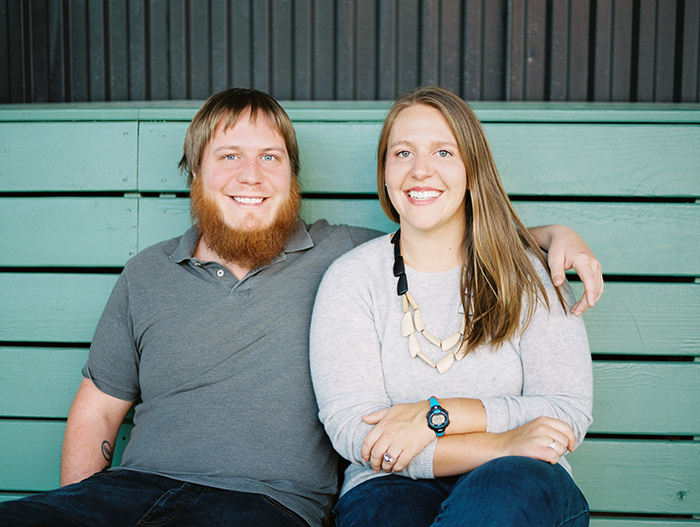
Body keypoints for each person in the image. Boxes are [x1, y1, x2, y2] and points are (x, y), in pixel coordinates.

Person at [0, 87, 600, 527]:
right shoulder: (148, 274)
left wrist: (543, 237)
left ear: (293, 176)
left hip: (264, 506)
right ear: (196, 174)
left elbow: (439, 228)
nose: (251, 175)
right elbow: (97, 416)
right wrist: (80, 510)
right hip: (128, 491)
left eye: (270, 157)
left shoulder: (334, 254)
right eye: (228, 155)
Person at [309, 86, 593, 527]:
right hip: (387, 485)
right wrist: (502, 441)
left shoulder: (529, 274)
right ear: (384, 172)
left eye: (444, 152)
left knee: (494, 503)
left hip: (518, 480)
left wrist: (435, 417)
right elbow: (357, 431)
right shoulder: (352, 280)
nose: (420, 171)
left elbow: (564, 410)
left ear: (471, 169)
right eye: (402, 153)